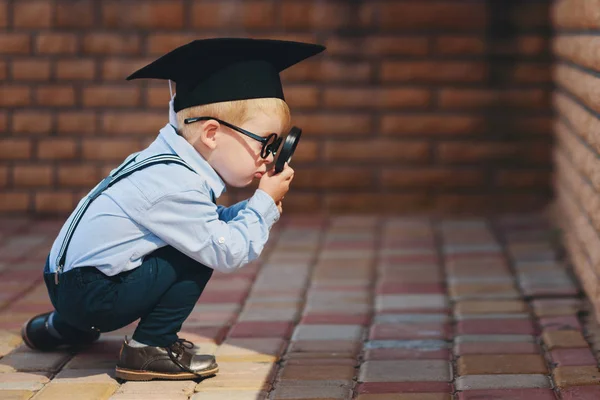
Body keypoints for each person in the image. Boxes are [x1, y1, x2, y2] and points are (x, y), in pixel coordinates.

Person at [20, 38, 325, 381]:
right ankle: (149, 347)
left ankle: (62, 329)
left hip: (69, 284)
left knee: (188, 240)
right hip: (91, 296)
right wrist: (263, 203)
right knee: (195, 254)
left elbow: (200, 222)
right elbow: (227, 250)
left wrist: (253, 208)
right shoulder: (176, 185)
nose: (270, 157)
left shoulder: (163, 164)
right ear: (211, 134)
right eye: (266, 143)